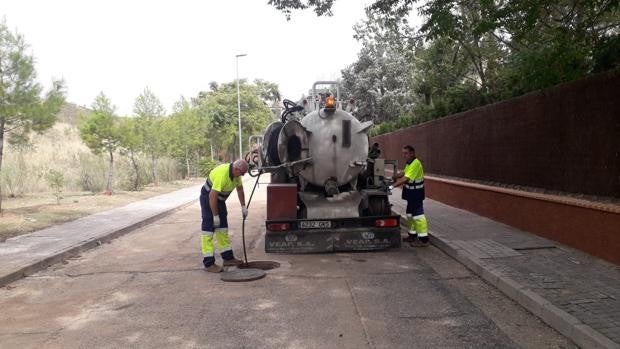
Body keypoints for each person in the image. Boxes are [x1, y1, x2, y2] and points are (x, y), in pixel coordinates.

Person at [199, 159, 249, 272]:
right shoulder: (223, 174)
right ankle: (208, 263)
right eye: (242, 173)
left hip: (220, 201)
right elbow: (212, 197)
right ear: (236, 169)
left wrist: (243, 206)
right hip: (208, 199)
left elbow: (240, 190)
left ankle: (228, 258)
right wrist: (215, 215)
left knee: (222, 229)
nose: (242, 176)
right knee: (208, 231)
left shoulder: (236, 175)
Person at [390, 145, 429, 247]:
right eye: (403, 153)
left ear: (412, 153)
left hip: (416, 194)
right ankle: (412, 235)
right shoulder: (409, 163)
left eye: (406, 153)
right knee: (410, 215)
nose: (404, 155)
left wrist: (391, 186)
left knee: (418, 216)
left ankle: (423, 239)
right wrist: (393, 176)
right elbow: (403, 173)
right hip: (411, 194)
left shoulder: (416, 163)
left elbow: (405, 179)